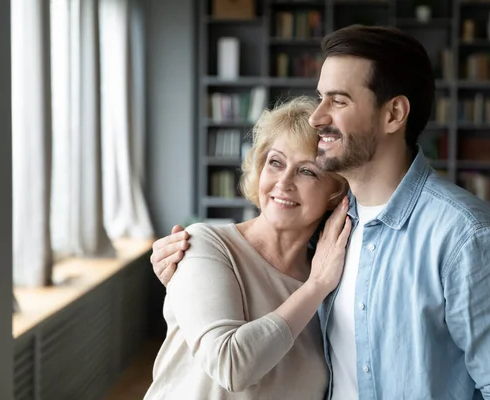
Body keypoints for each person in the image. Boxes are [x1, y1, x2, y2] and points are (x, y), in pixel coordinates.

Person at [151, 25, 490, 399]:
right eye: (320, 97)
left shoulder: (467, 241)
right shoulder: (333, 236)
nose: (317, 116)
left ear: (394, 114)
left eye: (338, 101)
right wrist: (185, 274)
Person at [144, 96, 352, 400]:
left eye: (307, 171)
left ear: (336, 192)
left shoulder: (334, 278)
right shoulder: (205, 244)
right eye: (276, 162)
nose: (283, 182)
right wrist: (316, 287)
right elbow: (232, 367)